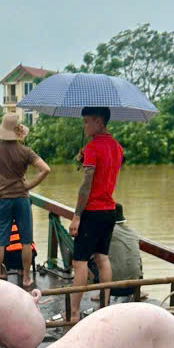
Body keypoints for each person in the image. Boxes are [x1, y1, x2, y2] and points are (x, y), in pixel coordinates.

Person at [0, 112, 51, 288]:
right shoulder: (25, 151)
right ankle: (26, 277)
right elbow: (45, 169)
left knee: (0, 242)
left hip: (3, 200)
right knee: (26, 241)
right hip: (22, 199)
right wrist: (28, 186)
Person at [68, 107, 124, 322]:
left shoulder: (92, 147)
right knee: (102, 258)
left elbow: (87, 184)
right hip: (109, 211)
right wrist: (85, 160)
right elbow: (107, 170)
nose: (84, 126)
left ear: (99, 122)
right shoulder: (117, 147)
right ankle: (104, 305)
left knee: (79, 262)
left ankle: (72, 313)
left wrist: (76, 216)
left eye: (87, 122)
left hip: (92, 212)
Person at [107, 202, 143, 299]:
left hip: (112, 288)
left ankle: (102, 294)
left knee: (87, 259)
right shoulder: (133, 233)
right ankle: (139, 291)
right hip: (133, 286)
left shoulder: (106, 231)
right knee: (137, 257)